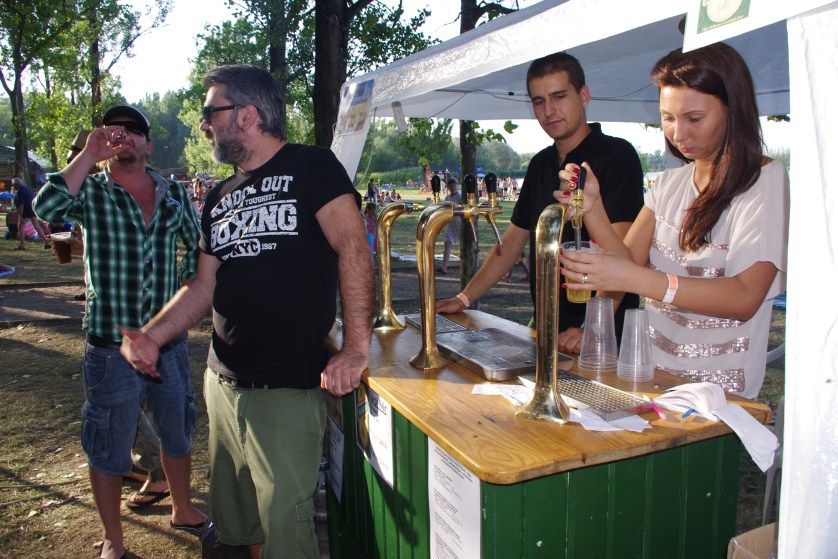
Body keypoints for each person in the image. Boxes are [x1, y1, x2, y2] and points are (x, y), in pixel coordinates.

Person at [119, 64, 373, 559]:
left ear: (248, 115)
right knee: (240, 522)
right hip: (222, 382)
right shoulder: (218, 196)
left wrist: (357, 347)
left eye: (211, 112)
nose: (204, 124)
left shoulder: (313, 167)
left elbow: (353, 248)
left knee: (285, 528)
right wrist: (152, 335)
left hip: (286, 387)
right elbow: (203, 285)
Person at [559, 43, 788, 399]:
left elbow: (744, 297)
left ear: (733, 110)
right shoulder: (669, 184)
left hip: (718, 396)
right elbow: (626, 263)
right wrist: (594, 209)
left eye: (694, 119)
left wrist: (636, 278)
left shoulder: (764, 180)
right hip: (652, 378)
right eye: (667, 118)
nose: (678, 134)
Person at [33, 104, 205, 559]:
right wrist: (88, 154)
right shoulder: (91, 190)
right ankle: (114, 539)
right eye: (114, 130)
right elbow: (45, 208)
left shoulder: (174, 193)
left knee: (178, 430)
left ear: (149, 143)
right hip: (111, 349)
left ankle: (182, 507)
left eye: (133, 130)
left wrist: (184, 289)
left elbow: (196, 247)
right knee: (108, 443)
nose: (123, 135)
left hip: (167, 344)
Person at [437, 52, 644, 352]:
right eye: (539, 101)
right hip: (549, 330)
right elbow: (511, 244)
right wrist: (464, 298)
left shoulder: (617, 156)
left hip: (607, 337)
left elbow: (622, 256)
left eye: (559, 96)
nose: (549, 110)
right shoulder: (539, 164)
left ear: (583, 96)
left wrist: (592, 328)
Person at [11, 177, 51, 250]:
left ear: (16, 185)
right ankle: (46, 243)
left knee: (20, 226)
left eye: (13, 184)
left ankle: (22, 245)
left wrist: (21, 216)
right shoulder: (28, 189)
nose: (13, 186)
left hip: (25, 211)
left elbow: (21, 204)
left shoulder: (19, 192)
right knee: (37, 226)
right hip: (32, 209)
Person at [436, 177, 462, 275]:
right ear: (448, 186)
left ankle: (464, 265)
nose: (452, 187)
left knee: (462, 246)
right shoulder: (447, 198)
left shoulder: (460, 197)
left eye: (454, 184)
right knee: (447, 244)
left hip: (459, 223)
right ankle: (444, 267)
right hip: (450, 224)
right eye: (450, 185)